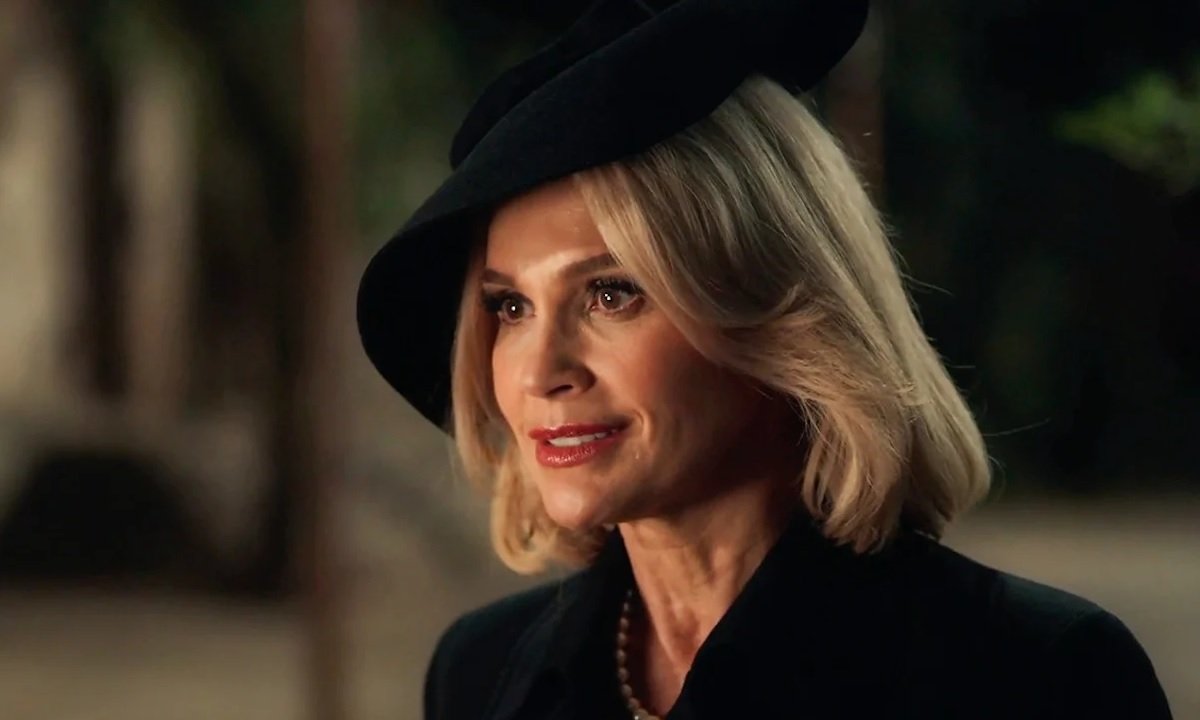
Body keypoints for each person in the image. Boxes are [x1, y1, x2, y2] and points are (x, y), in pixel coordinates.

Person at [355, 0, 1174, 718]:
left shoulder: (1038, 676)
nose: (540, 373)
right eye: (510, 307)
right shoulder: (480, 673)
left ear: (776, 313)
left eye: (611, 293)